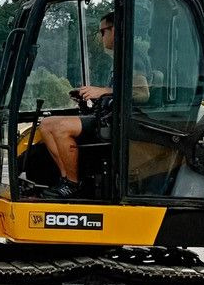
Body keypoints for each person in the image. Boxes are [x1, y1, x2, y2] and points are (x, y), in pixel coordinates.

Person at [38, 11, 147, 199]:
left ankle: (73, 184)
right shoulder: (120, 56)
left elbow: (142, 93)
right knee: (46, 125)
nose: (101, 37)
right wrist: (91, 96)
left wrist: (102, 91)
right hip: (107, 115)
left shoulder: (133, 56)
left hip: (119, 121)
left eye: (102, 32)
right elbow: (118, 90)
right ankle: (66, 180)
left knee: (62, 129)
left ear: (115, 30)